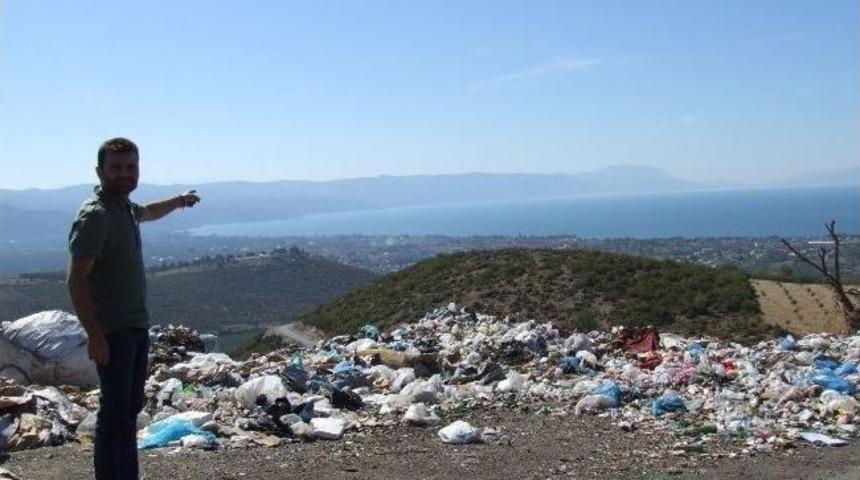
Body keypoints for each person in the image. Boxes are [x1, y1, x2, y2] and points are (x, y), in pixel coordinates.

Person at [66, 137, 200, 480]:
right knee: (113, 419)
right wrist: (95, 337)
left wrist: (180, 201)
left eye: (131, 167)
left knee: (127, 415)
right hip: (113, 332)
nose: (125, 174)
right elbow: (76, 281)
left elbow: (150, 212)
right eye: (116, 168)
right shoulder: (95, 216)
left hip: (136, 327)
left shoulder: (123, 207)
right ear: (100, 171)